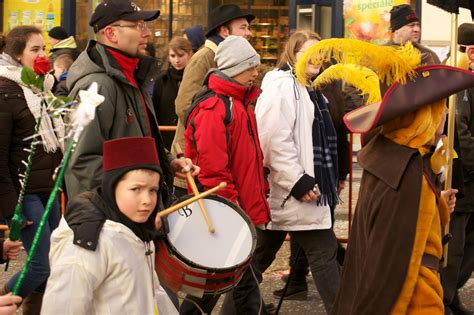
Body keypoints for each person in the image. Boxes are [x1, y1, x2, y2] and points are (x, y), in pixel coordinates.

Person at [331, 64, 473, 314]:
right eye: (440, 107)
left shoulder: (388, 153)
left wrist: (437, 200)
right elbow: (399, 266)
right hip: (416, 299)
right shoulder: (409, 173)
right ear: (424, 116)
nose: (446, 113)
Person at [65, 0, 197, 204]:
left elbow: (136, 142)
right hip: (112, 217)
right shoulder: (96, 85)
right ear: (111, 34)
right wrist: (137, 198)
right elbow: (83, 162)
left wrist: (166, 162)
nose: (147, 33)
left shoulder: (131, 77)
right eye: (138, 26)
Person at [254, 30, 341, 313]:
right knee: (324, 254)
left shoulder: (309, 89)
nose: (317, 59)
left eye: (320, 54)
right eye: (309, 53)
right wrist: (298, 182)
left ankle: (224, 308)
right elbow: (272, 139)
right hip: (292, 192)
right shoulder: (281, 86)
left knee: (258, 259)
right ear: (293, 53)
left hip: (298, 192)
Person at [183, 35, 270, 315]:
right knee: (244, 287)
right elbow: (213, 169)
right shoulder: (216, 107)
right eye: (250, 68)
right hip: (229, 212)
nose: (255, 73)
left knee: (215, 284)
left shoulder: (239, 103)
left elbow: (248, 159)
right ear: (233, 69)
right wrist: (234, 213)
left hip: (235, 210)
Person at [42, 136, 177, 314]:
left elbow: (153, 294)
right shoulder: (85, 243)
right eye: (136, 189)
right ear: (112, 186)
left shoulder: (139, 230)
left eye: (153, 190)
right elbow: (63, 308)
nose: (147, 200)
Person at [0, 25, 64, 314]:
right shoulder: (6, 90)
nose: (43, 56)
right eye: (35, 50)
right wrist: (11, 204)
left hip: (46, 187)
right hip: (23, 192)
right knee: (41, 265)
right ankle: (5, 299)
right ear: (16, 55)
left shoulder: (42, 88)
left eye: (44, 49)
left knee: (54, 262)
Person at [172, 3, 254, 197]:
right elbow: (184, 105)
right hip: (195, 163)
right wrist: (214, 131)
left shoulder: (225, 56)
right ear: (224, 31)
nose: (249, 33)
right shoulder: (204, 57)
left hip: (213, 161)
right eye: (243, 27)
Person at [441, 22, 474, 315]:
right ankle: (444, 299)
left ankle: (450, 295)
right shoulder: (459, 79)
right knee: (456, 245)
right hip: (463, 177)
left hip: (470, 178)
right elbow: (460, 132)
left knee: (468, 246)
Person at [153, 36, 193, 150]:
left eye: (181, 55)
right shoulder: (161, 80)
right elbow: (155, 109)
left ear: (189, 54)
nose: (177, 60)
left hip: (188, 137)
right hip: (165, 139)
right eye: (173, 56)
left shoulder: (195, 79)